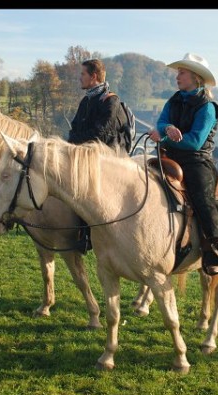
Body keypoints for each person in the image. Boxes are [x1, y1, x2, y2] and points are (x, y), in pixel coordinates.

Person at [149, 53, 218, 276]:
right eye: (178, 72)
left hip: (196, 160)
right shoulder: (174, 99)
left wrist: (164, 137)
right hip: (169, 154)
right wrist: (167, 129)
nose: (177, 76)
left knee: (204, 201)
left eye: (182, 73)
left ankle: (214, 251)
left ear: (195, 77)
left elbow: (195, 141)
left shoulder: (208, 107)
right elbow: (162, 121)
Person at [68, 58, 129, 253]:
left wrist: (77, 140)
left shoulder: (110, 100)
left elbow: (100, 133)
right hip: (86, 154)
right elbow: (74, 128)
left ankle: (89, 235)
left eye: (83, 74)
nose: (80, 77)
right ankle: (80, 232)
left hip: (107, 160)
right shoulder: (86, 100)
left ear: (93, 76)